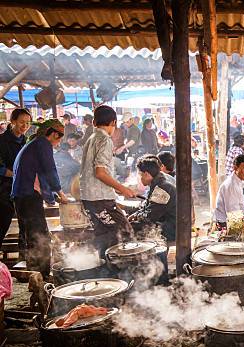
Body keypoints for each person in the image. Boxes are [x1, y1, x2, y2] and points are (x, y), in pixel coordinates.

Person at [12, 119, 68, 277]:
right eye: (59, 139)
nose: (58, 143)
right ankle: (41, 276)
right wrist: (60, 192)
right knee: (39, 235)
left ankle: (31, 274)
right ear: (54, 134)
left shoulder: (33, 143)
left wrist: (50, 196)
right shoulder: (43, 143)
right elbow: (49, 169)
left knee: (28, 235)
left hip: (20, 196)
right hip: (28, 195)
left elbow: (39, 174)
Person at [80, 105, 135, 255]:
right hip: (99, 199)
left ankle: (104, 270)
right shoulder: (104, 139)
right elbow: (100, 172)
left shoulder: (91, 139)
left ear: (93, 122)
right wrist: (123, 188)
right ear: (113, 122)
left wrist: (117, 187)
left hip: (88, 198)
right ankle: (83, 251)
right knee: (125, 232)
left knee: (105, 234)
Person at [0, 108, 31, 249]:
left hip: (22, 189)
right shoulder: (2, 141)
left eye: (28, 123)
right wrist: (17, 174)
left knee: (24, 225)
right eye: (21, 122)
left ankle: (23, 257)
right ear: (13, 121)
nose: (25, 126)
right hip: (4, 189)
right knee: (3, 223)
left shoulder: (26, 141)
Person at [129, 155, 176, 242]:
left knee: (128, 230)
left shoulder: (162, 189)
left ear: (146, 174)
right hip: (167, 223)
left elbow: (149, 217)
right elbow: (147, 207)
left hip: (172, 229)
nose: (140, 178)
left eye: (140, 175)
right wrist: (135, 214)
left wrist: (134, 219)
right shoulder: (158, 182)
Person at [214, 154, 244, 228]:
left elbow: (239, 202)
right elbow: (234, 214)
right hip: (227, 223)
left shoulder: (237, 181)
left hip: (235, 218)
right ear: (235, 168)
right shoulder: (231, 186)